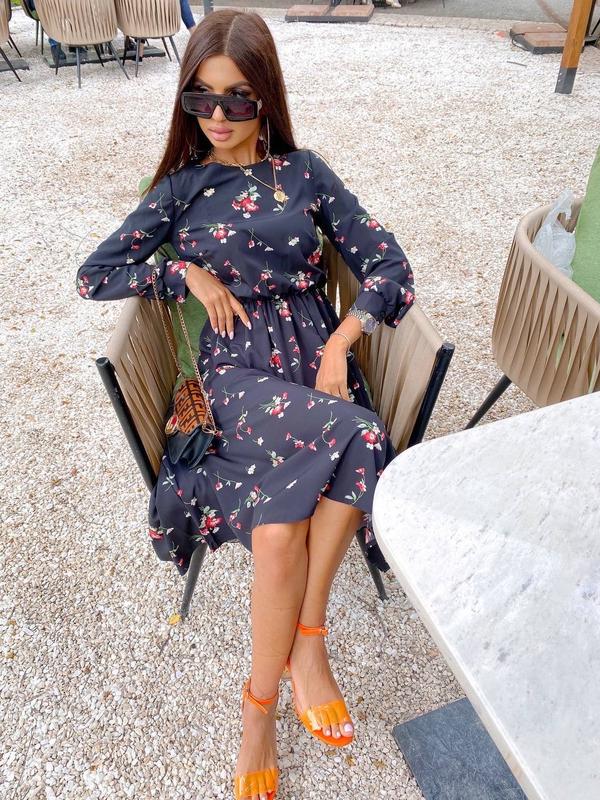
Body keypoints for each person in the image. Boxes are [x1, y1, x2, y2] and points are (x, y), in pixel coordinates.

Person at [75, 10, 415, 800]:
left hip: (312, 363)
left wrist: (344, 340)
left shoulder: (306, 173)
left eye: (237, 99)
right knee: (362, 434)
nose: (219, 117)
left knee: (282, 526)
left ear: (267, 95)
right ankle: (290, 669)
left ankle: (282, 671)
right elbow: (94, 275)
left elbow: (390, 266)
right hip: (236, 374)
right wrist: (181, 274)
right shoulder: (182, 188)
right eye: (201, 99)